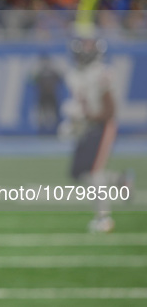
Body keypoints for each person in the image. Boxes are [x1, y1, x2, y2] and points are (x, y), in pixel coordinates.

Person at [60, 35, 134, 233]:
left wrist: (86, 116)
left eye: (88, 47)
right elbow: (82, 104)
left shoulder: (102, 73)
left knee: (94, 172)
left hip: (103, 126)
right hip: (89, 127)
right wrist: (74, 122)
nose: (84, 51)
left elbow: (109, 110)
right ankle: (120, 180)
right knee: (78, 172)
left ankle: (104, 218)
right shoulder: (74, 74)